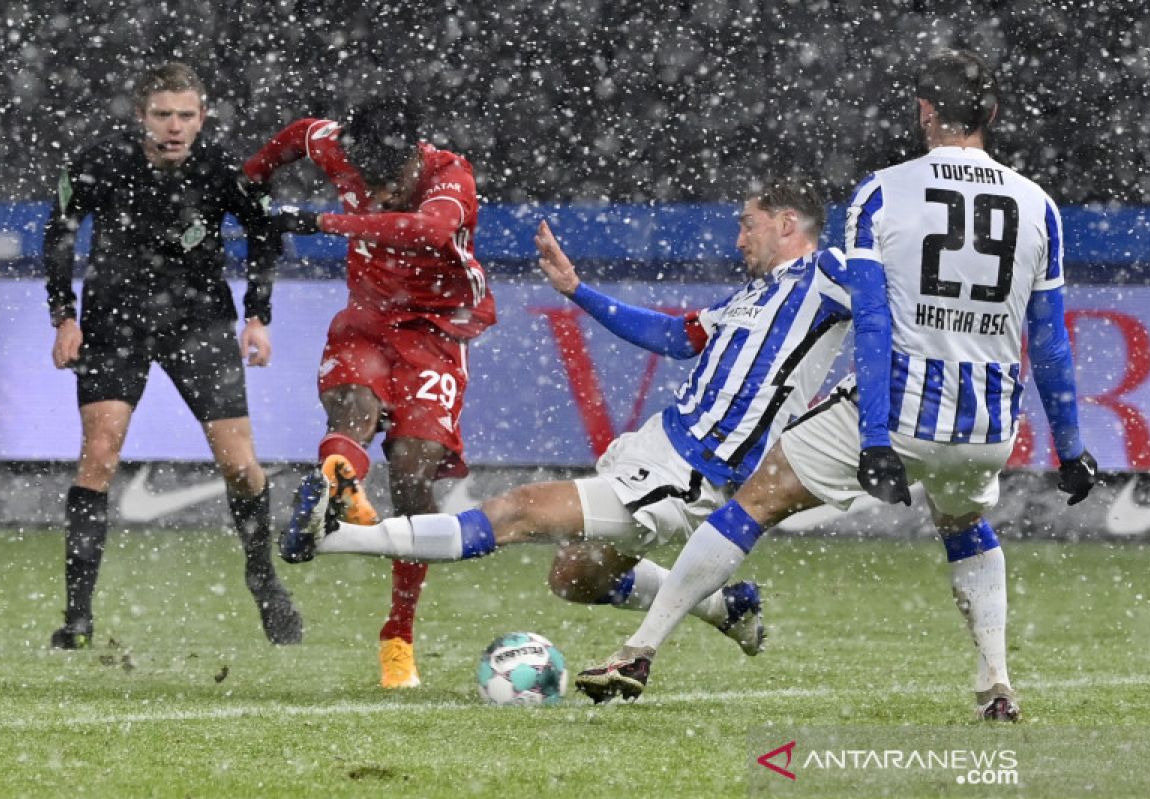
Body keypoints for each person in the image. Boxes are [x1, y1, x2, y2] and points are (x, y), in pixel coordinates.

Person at [572, 49, 1099, 719]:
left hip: (901, 411)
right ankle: (995, 681)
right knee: (964, 523)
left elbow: (874, 325)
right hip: (986, 428)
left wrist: (877, 437)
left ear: (925, 112)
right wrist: (1072, 446)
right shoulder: (1038, 206)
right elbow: (1049, 338)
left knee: (758, 498)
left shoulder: (884, 191)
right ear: (991, 114)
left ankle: (640, 651)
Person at [282, 178, 853, 661]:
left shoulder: (831, 275)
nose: (738, 238)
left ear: (785, 224)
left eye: (747, 224)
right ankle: (725, 605)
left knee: (518, 511)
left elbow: (889, 298)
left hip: (693, 474)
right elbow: (676, 336)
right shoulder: (750, 297)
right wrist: (577, 290)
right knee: (575, 578)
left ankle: (334, 539)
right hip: (657, 447)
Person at [44, 62, 302, 648]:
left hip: (198, 323)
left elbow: (264, 233)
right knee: (99, 457)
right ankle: (77, 618)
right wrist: (64, 316)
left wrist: (258, 313)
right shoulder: (98, 162)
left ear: (202, 118)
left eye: (186, 115)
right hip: (115, 324)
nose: (175, 126)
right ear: (141, 117)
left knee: (239, 465)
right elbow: (60, 230)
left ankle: (263, 577)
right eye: (163, 114)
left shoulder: (223, 168)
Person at [243, 97, 497, 688]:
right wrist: (248, 181)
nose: (379, 196)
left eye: (390, 184)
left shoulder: (449, 177)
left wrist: (321, 221)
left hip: (437, 331)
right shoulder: (338, 146)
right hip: (367, 320)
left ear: (414, 157)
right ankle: (340, 482)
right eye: (369, 185)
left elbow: (430, 230)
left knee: (413, 476)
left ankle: (398, 633)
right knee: (352, 404)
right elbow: (299, 134)